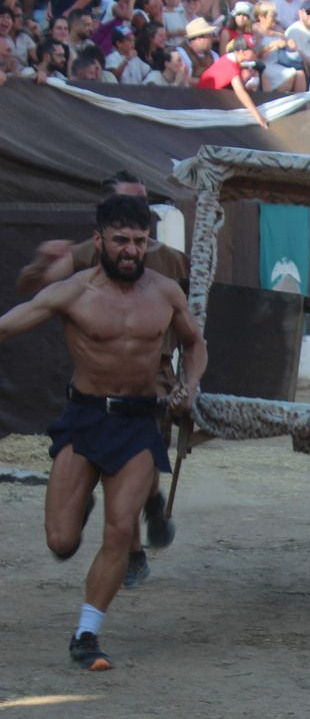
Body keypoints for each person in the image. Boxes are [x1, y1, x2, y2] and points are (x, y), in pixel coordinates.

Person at [0, 195, 207, 672]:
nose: (131, 251)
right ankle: (82, 498)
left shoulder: (165, 292)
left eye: (139, 241)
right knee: (60, 541)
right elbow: (13, 323)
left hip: (138, 422)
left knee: (119, 530)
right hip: (85, 418)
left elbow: (196, 345)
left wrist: (189, 387)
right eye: (121, 241)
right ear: (99, 241)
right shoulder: (74, 292)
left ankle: (86, 634)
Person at [17, 170, 191, 588]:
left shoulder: (166, 258)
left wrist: (191, 379)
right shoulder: (83, 256)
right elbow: (36, 289)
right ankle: (129, 524)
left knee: (141, 453)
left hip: (156, 376)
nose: (139, 212)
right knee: (65, 535)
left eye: (144, 203)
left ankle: (137, 529)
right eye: (130, 201)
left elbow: (194, 318)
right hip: (98, 386)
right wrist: (41, 263)